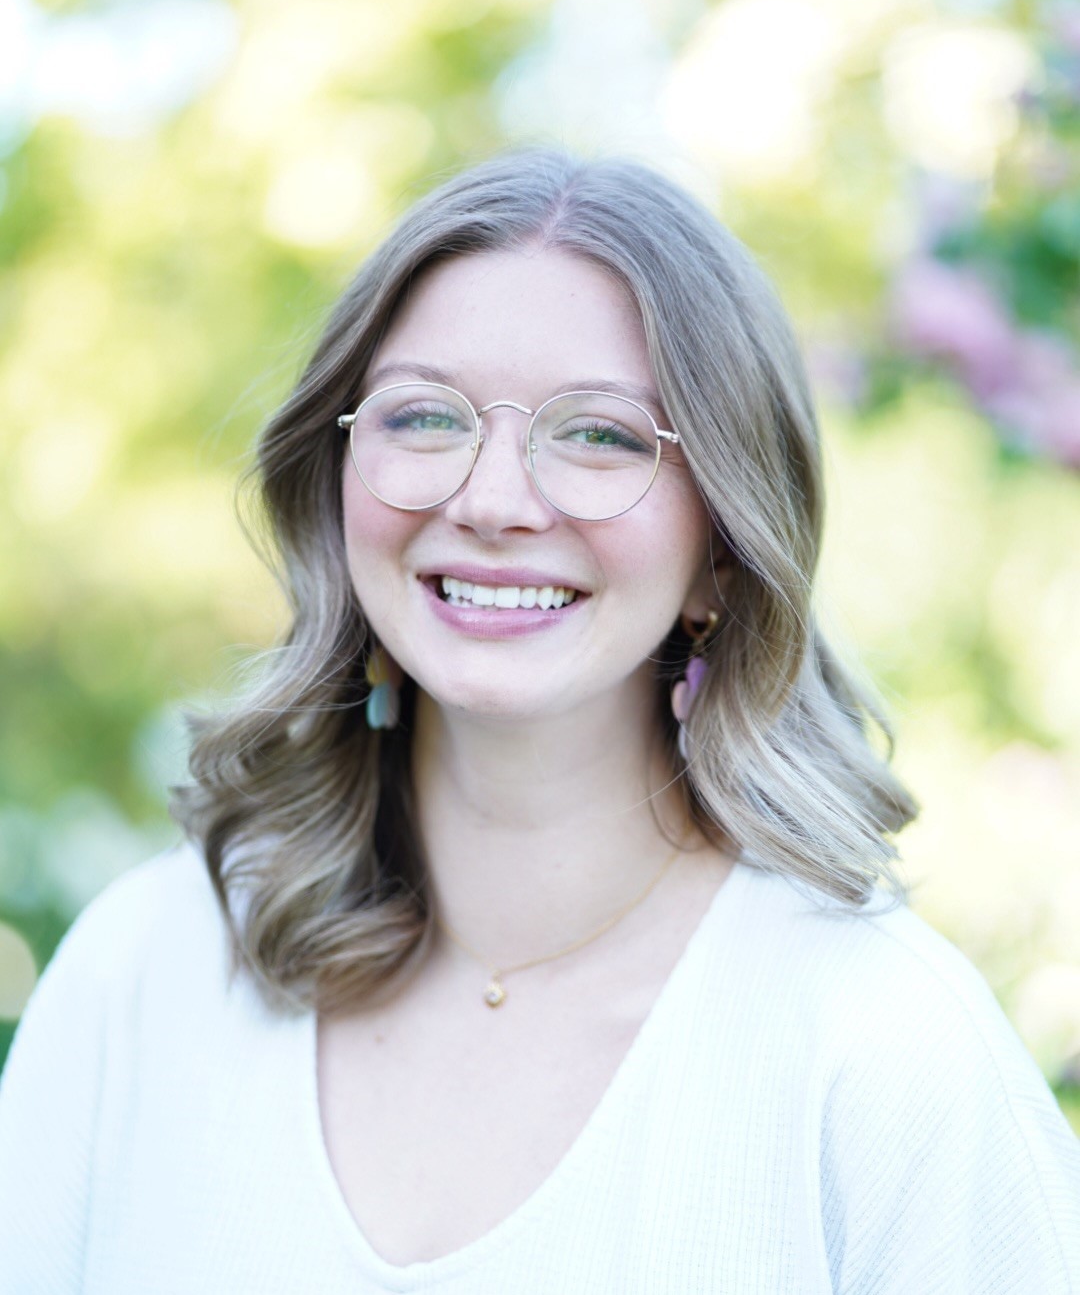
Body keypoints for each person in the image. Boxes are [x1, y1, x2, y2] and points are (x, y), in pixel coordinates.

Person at [0, 146, 1077, 1294]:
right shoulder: (144, 972)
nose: (494, 501)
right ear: (337, 480)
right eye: (423, 418)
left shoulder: (882, 1051)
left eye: (599, 433)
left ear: (721, 549)